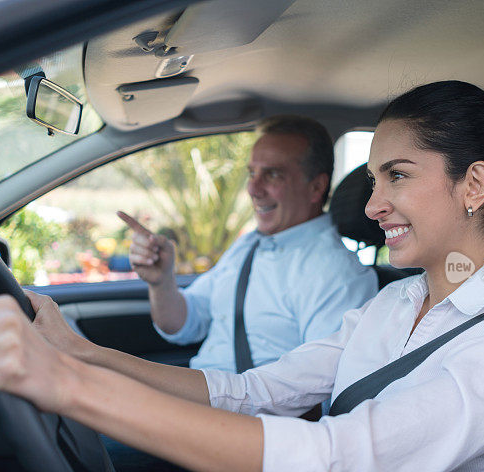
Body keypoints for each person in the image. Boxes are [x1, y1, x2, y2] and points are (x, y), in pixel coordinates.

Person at [0, 81, 484, 472]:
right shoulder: (396, 306)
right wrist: (80, 352)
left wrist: (65, 384)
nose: (369, 206)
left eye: (397, 176)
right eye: (373, 178)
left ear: (473, 184)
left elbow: (338, 460)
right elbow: (251, 391)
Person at [116, 115, 378, 375]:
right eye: (252, 173)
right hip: (204, 398)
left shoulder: (337, 275)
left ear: (316, 187)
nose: (253, 188)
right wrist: (161, 282)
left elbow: (319, 387)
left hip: (243, 413)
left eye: (273, 175)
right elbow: (186, 323)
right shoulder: (249, 245)